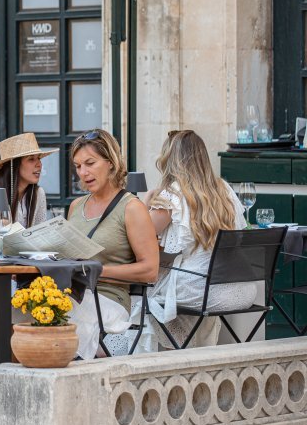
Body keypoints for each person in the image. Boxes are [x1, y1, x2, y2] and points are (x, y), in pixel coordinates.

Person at [134, 130, 251, 351]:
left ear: (170, 159)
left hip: (204, 289)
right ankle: (192, 349)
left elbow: (139, 236)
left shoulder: (172, 195)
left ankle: (169, 355)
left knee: (145, 292)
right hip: (241, 289)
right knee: (172, 280)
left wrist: (146, 201)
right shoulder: (223, 188)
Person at [65, 129, 159, 359]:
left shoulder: (131, 208)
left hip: (108, 299)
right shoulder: (76, 206)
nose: (83, 172)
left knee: (52, 316)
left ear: (110, 162)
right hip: (73, 292)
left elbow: (150, 270)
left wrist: (96, 271)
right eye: (78, 166)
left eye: (90, 163)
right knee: (22, 308)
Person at [0, 133, 58, 228]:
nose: (39, 164)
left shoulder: (38, 193)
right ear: (14, 165)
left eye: (38, 158)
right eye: (31, 159)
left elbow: (40, 231)